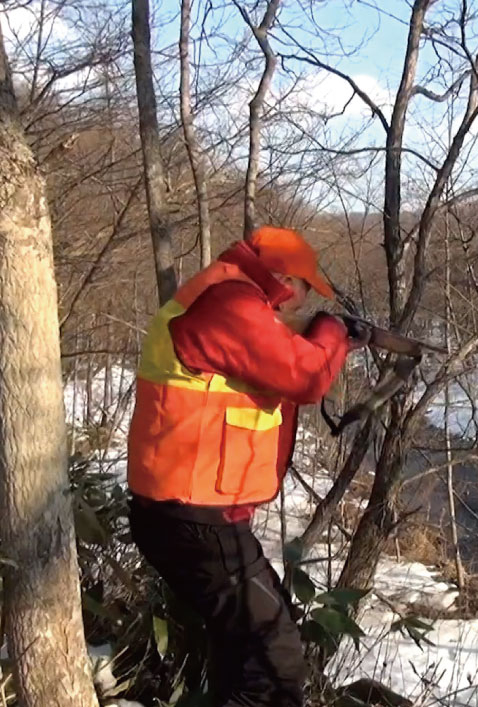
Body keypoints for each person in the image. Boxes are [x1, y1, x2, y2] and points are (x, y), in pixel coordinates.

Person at [126, 225, 369, 706]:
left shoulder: (228, 300)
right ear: (281, 279)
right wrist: (332, 332)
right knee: (275, 665)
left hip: (194, 514)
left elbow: (277, 369)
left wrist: (328, 341)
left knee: (245, 655)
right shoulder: (230, 304)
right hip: (191, 517)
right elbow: (305, 376)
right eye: (302, 290)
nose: (300, 304)